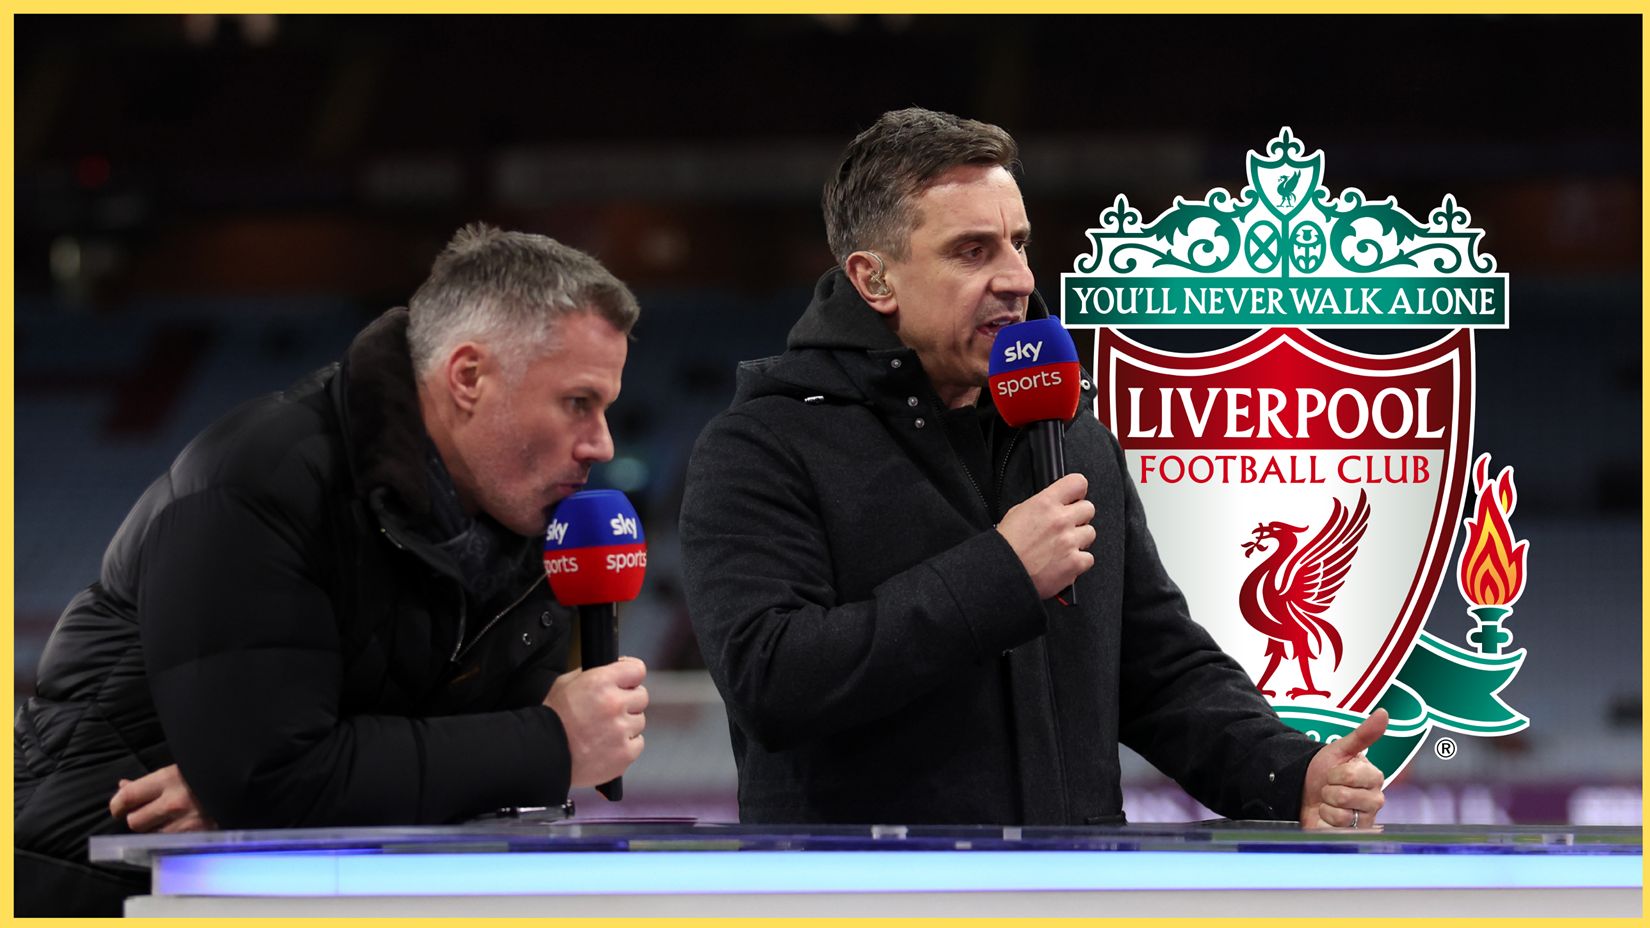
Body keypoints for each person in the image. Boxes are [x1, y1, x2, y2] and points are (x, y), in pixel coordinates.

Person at [680, 108, 1387, 827]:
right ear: (875, 279)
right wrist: (1000, 575)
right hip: (866, 899)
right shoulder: (762, 446)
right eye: (972, 251)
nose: (1017, 277)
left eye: (1019, 244)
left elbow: (1159, 671)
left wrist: (1288, 771)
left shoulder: (1073, 437)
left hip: (1069, 892)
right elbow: (772, 678)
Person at [14, 225, 650, 916]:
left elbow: (388, 769)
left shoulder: (524, 521)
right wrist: (553, 741)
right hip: (98, 889)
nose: (602, 444)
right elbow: (278, 777)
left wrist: (283, 788)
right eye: (578, 403)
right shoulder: (262, 478)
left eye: (607, 408)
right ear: (468, 377)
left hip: (275, 896)